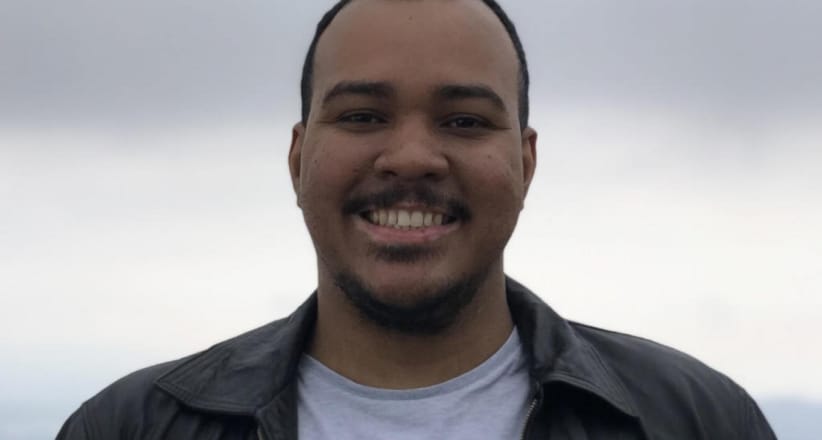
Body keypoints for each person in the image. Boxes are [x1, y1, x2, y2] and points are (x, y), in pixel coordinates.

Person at [57, 0, 776, 438]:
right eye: (362, 116)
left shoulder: (697, 420)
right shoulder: (128, 427)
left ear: (525, 163)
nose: (410, 158)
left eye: (464, 121)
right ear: (298, 159)